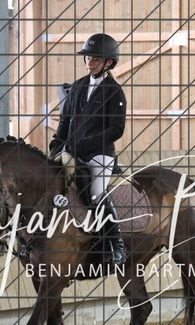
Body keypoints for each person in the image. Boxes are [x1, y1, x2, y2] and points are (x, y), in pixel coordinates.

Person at [49, 33, 127, 264]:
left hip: (99, 155)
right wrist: (56, 142)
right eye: (87, 58)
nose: (89, 62)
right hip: (71, 151)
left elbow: (116, 129)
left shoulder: (114, 91)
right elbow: (65, 120)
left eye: (95, 59)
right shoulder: (78, 86)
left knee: (96, 194)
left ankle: (116, 245)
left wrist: (85, 144)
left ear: (108, 62)